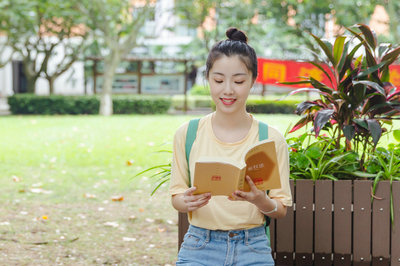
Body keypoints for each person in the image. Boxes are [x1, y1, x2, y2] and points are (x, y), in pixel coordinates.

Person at [169, 27, 292, 265]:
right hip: (199, 245)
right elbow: (176, 196)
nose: (227, 90)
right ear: (208, 79)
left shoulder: (270, 138)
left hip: (252, 246)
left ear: (252, 81)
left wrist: (259, 200)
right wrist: (186, 201)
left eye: (238, 81)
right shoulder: (188, 134)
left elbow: (280, 208)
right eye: (218, 80)